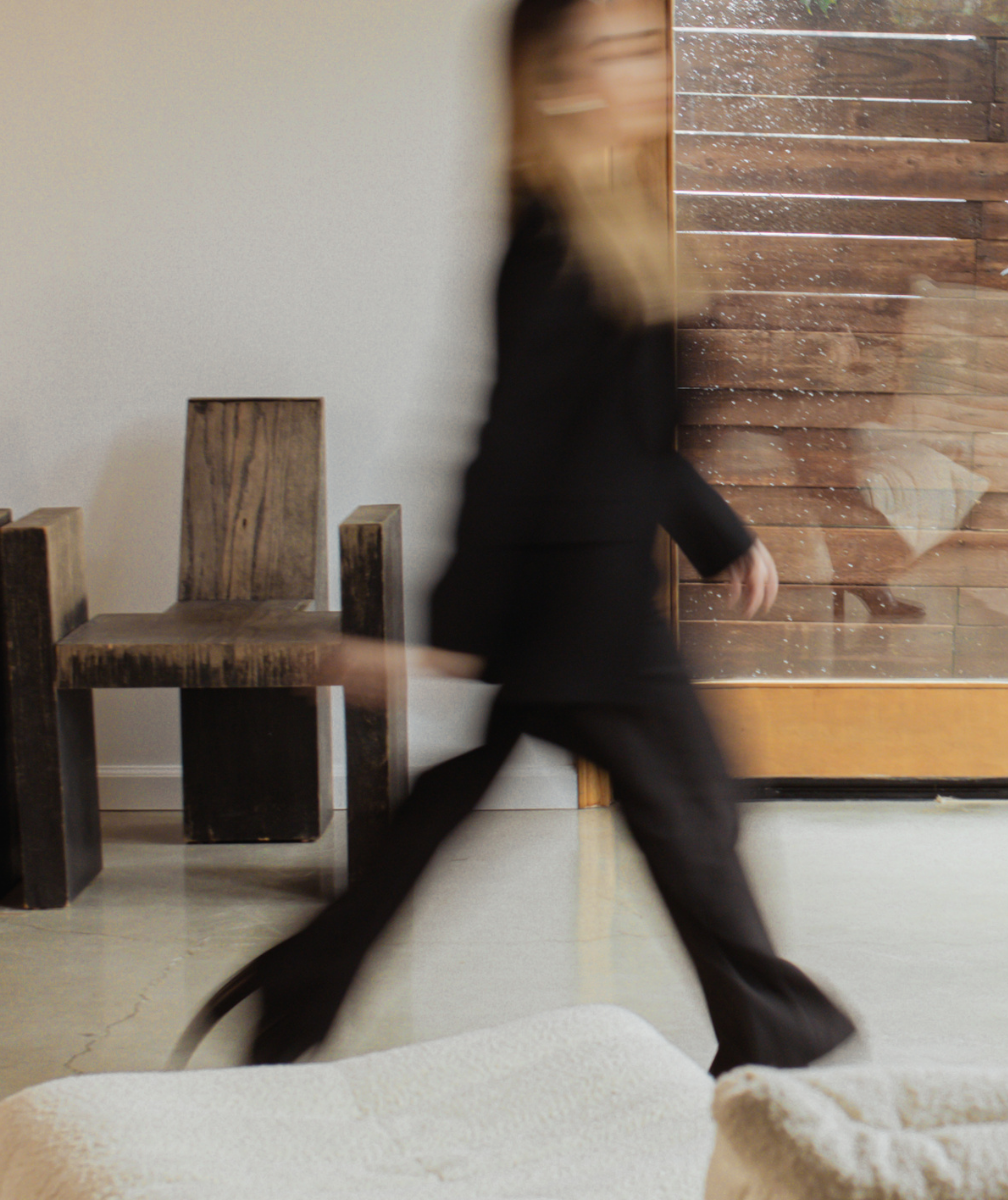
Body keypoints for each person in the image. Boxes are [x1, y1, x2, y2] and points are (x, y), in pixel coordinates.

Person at [175, 0, 855, 1075]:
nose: (647, 65)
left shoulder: (615, 215)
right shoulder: (548, 239)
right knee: (691, 817)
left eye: (644, 43)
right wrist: (447, 635)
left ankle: (292, 995)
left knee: (466, 815)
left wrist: (721, 537)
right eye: (616, 49)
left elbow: (631, 435)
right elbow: (514, 444)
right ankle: (780, 1046)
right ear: (556, 81)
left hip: (585, 589)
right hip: (577, 602)